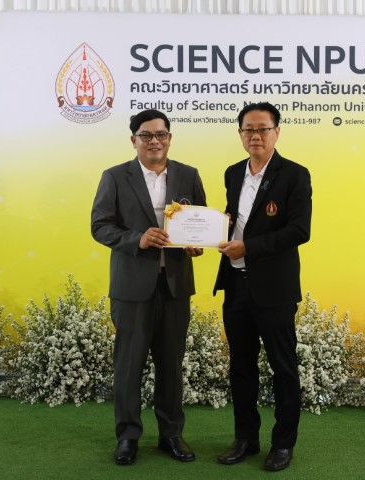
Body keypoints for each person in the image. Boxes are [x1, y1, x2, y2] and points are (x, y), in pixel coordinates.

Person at [91, 109, 205, 466]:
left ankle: (171, 435)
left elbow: (199, 222)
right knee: (129, 365)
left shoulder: (188, 175)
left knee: (171, 364)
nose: (154, 141)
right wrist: (137, 239)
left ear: (169, 138)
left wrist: (197, 244)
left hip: (175, 285)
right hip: (132, 287)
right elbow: (100, 226)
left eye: (160, 134)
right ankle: (127, 437)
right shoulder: (114, 176)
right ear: (134, 140)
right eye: (146, 135)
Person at [214, 102, 312, 472]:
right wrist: (204, 231)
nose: (255, 136)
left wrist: (249, 247)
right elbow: (234, 219)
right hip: (235, 285)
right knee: (241, 366)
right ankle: (246, 439)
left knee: (283, 368)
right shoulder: (233, 172)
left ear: (276, 132)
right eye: (248, 130)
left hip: (274, 290)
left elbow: (299, 230)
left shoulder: (294, 175)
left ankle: (283, 444)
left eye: (262, 129)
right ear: (240, 134)